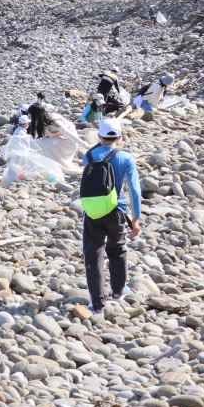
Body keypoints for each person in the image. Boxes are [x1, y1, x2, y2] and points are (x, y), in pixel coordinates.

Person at [80, 118, 143, 314]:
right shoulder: (126, 158)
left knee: (94, 254)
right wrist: (136, 217)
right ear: (120, 136)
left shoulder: (88, 156)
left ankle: (97, 303)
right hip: (117, 210)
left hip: (92, 210)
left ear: (99, 136)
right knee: (117, 248)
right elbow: (134, 190)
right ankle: (117, 292)